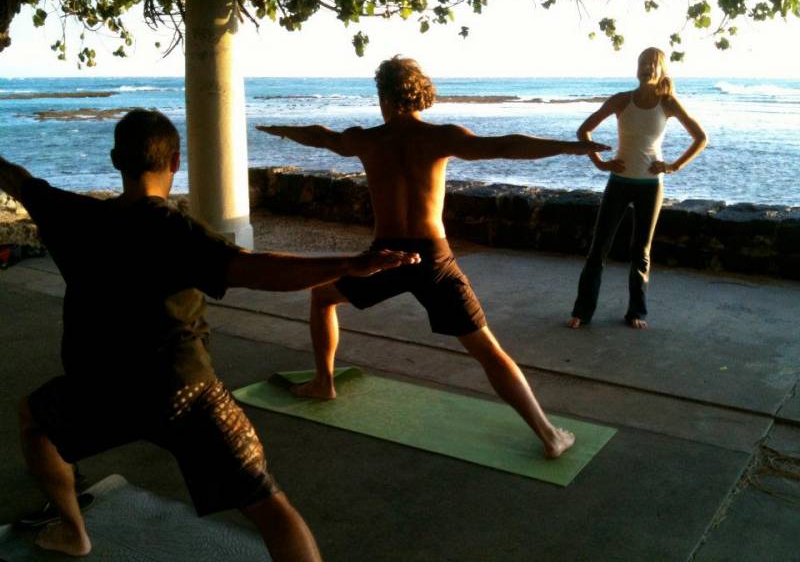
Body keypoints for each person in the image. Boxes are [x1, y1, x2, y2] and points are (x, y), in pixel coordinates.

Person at [0, 109, 420, 561]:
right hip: (184, 392)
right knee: (270, 508)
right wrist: (345, 265)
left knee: (34, 419)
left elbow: (16, 178)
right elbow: (259, 271)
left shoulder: (70, 215)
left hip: (101, 389)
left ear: (115, 160)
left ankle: (72, 531)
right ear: (176, 162)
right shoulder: (175, 231)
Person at [257, 55, 611, 460]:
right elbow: (507, 146)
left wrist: (279, 129)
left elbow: (321, 135)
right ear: (417, 94)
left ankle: (324, 382)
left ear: (384, 96)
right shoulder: (441, 137)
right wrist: (571, 147)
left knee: (323, 298)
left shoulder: (366, 139)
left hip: (384, 256)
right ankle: (550, 436)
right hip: (433, 259)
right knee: (487, 351)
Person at [567, 47, 707, 330]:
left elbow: (700, 137)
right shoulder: (621, 100)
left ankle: (636, 313)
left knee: (640, 252)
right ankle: (582, 312)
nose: (647, 68)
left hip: (650, 186)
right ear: (637, 67)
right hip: (618, 183)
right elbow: (584, 131)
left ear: (661, 70)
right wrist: (599, 162)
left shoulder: (668, 103)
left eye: (653, 64)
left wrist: (673, 166)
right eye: (643, 63)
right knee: (598, 249)